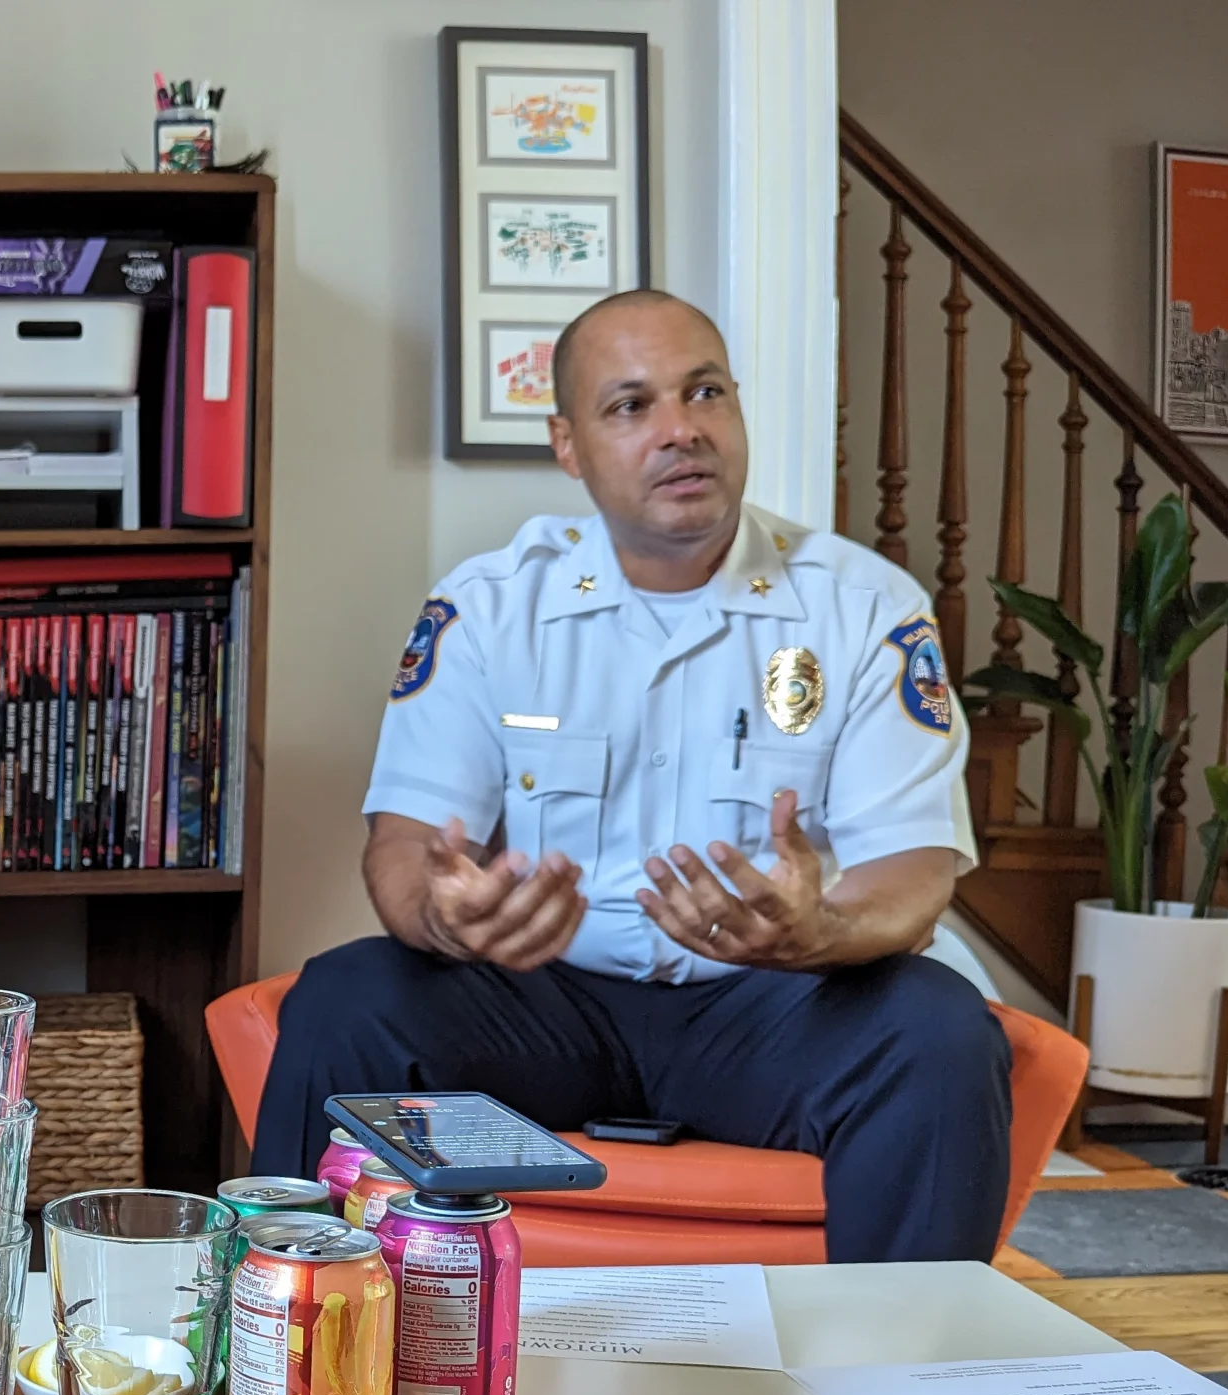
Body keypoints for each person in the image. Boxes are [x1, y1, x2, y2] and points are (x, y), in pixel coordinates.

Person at [251, 289, 1010, 1263]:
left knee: (937, 1032)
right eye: (630, 405)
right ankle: (284, 1358)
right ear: (567, 444)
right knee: (346, 997)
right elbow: (402, 844)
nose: (679, 430)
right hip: (543, 999)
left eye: (704, 393)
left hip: (770, 1005)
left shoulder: (864, 607)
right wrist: (450, 915)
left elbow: (913, 868)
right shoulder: (487, 607)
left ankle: (903, 1386)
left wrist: (822, 929)